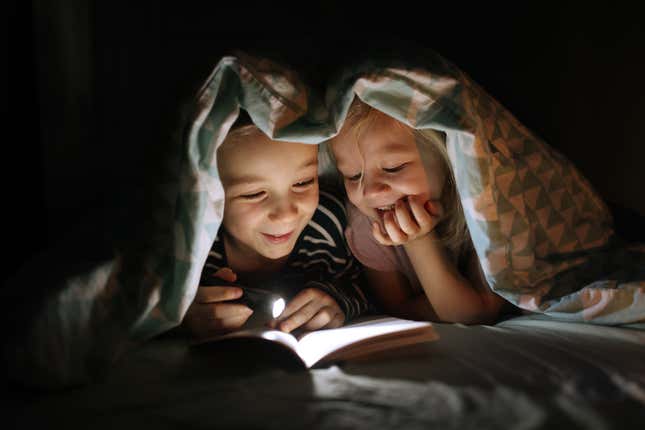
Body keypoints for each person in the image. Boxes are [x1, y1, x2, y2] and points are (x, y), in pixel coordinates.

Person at [182, 112, 369, 339]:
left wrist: (338, 300)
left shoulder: (330, 226)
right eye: (254, 194)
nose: (286, 214)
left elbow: (367, 289)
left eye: (303, 182)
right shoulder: (191, 249)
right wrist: (183, 316)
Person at [326, 98, 507, 324]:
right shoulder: (366, 226)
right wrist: (418, 241)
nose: (370, 192)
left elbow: (480, 311)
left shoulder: (485, 203)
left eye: (393, 168)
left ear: (447, 158)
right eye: (353, 176)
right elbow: (400, 309)